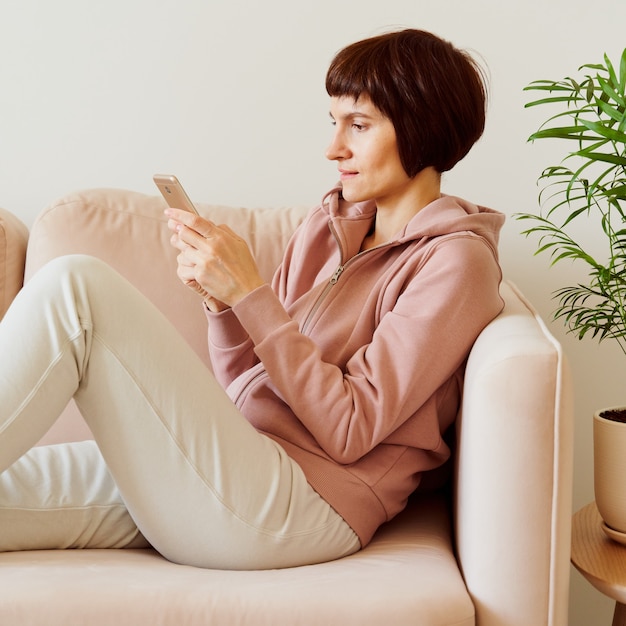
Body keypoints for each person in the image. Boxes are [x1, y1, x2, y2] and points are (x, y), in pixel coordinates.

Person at [0, 28, 504, 570]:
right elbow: (241, 383)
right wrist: (224, 305)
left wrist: (252, 294)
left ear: (421, 128)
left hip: (301, 506)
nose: (334, 148)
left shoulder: (456, 263)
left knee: (76, 288)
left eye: (358, 125)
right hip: (234, 465)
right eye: (333, 123)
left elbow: (352, 428)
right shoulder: (328, 225)